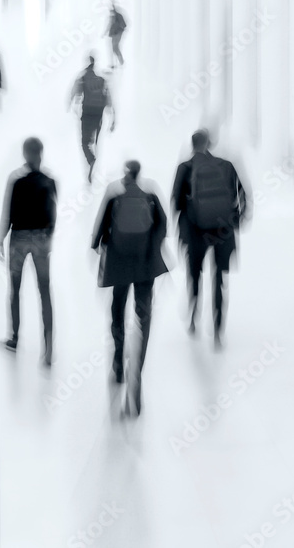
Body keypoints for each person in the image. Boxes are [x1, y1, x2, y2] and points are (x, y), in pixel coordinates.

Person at [91, 161, 168, 417]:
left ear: (126, 173)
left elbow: (100, 228)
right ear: (140, 174)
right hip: (145, 263)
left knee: (118, 308)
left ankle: (118, 359)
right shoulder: (151, 193)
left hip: (119, 262)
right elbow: (163, 225)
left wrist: (98, 245)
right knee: (143, 315)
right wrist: (152, 246)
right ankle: (137, 367)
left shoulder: (114, 193)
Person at [171, 129, 249, 348]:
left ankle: (194, 317)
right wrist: (239, 218)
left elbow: (176, 202)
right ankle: (217, 330)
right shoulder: (226, 165)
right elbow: (243, 193)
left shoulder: (185, 168)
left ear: (192, 145)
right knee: (219, 280)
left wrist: (182, 229)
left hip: (195, 231)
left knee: (194, 276)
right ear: (210, 144)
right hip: (223, 231)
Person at [0, 138, 57, 366]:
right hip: (41, 239)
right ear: (41, 153)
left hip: (19, 239)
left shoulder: (15, 179)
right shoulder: (50, 180)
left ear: (24, 154)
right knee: (44, 292)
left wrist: (0, 238)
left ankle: (14, 338)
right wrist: (49, 237)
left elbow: (8, 211)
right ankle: (48, 348)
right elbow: (53, 212)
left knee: (15, 289)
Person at [70, 55, 115, 183]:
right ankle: (95, 166)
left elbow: (76, 92)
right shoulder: (101, 79)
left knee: (85, 142)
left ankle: (91, 160)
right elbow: (109, 97)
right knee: (96, 141)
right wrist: (113, 117)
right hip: (99, 113)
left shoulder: (83, 77)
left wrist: (71, 103)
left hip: (87, 112)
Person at [106, 3, 127, 68]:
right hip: (114, 34)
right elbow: (110, 25)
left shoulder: (118, 16)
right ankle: (115, 63)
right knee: (114, 48)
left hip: (117, 34)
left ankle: (121, 62)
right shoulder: (112, 17)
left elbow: (123, 25)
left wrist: (118, 31)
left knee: (115, 48)